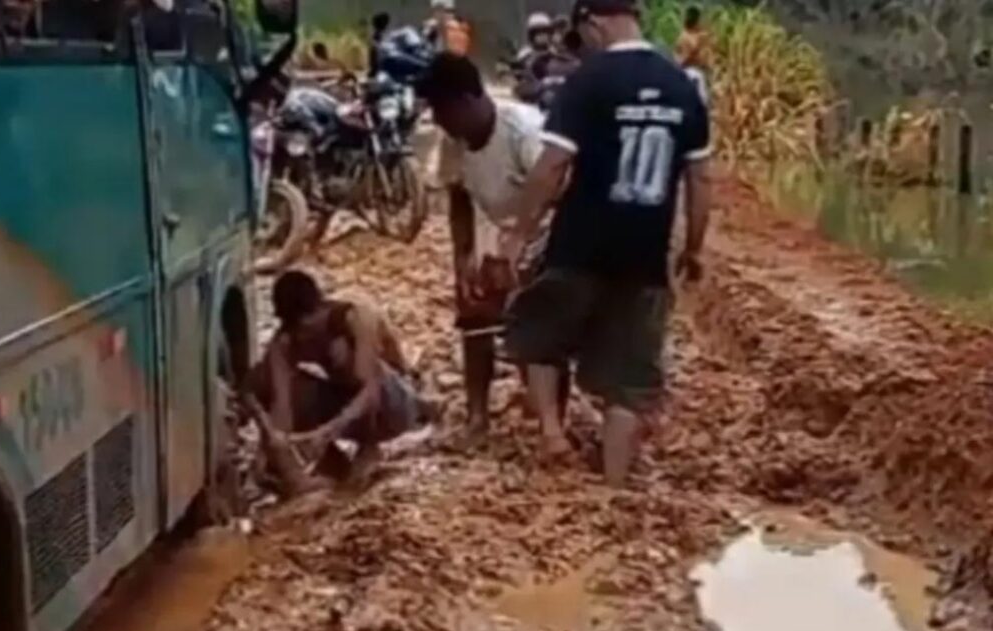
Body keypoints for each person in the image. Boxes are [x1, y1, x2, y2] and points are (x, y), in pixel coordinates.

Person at [498, 0, 712, 487]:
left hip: (580, 246)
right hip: (644, 256)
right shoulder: (684, 87)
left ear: (592, 22)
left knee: (537, 332)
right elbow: (701, 182)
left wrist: (517, 235)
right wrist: (693, 249)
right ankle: (614, 488)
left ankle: (553, 439)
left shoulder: (588, 81)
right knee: (630, 384)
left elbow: (552, 166)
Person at [419, 53, 558, 439]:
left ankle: (549, 414)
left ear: (466, 101)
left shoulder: (523, 132)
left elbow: (557, 190)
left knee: (532, 318)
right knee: (474, 311)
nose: (437, 120)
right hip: (503, 233)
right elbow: (459, 197)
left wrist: (526, 255)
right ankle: (477, 416)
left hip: (550, 231)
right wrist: (462, 259)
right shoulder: (454, 143)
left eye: (440, 109)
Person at [249, 270, 436, 483]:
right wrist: (269, 450)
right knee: (265, 380)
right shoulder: (285, 341)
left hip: (391, 405)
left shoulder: (356, 318)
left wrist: (328, 430)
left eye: (308, 326)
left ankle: (370, 446)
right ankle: (332, 461)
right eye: (298, 329)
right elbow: (282, 407)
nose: (305, 336)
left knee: (353, 365)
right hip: (345, 403)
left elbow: (371, 390)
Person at [675, 5, 711, 103]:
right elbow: (682, 59)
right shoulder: (686, 37)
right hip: (691, 74)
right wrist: (694, 49)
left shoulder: (697, 36)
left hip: (696, 72)